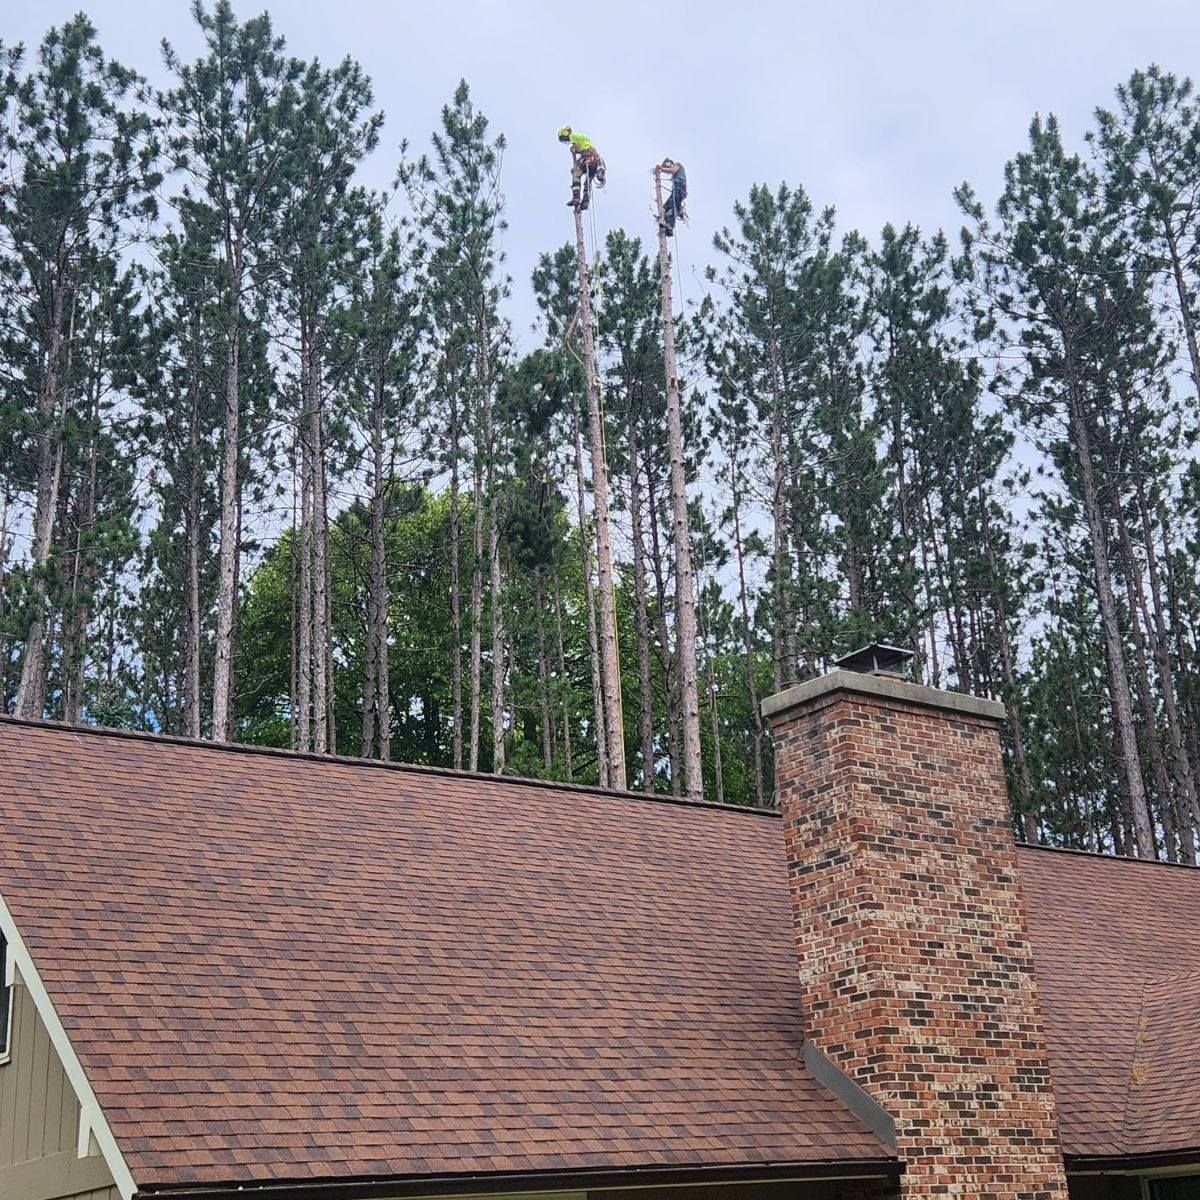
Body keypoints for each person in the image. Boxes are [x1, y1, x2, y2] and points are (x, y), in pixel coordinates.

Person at [558, 126, 605, 210]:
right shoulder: (582, 138)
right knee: (588, 182)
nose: (566, 141)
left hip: (587, 155)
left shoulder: (572, 136)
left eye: (564, 139)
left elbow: (577, 148)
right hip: (594, 159)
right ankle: (585, 202)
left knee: (576, 174)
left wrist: (574, 150)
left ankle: (576, 197)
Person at [657, 158, 688, 235]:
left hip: (679, 189)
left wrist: (661, 169)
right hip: (676, 190)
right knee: (665, 208)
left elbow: (673, 170)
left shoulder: (678, 165)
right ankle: (668, 225)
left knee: (672, 207)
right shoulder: (674, 174)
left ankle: (670, 225)